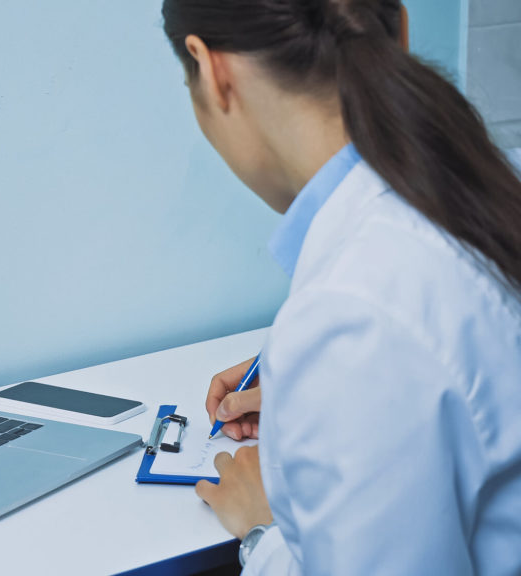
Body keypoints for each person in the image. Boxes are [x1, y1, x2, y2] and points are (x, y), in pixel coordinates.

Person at [160, 0, 521, 573]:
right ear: (399, 28)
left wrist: (265, 526)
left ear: (211, 70)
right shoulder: (472, 195)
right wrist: (315, 396)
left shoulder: (355, 315)